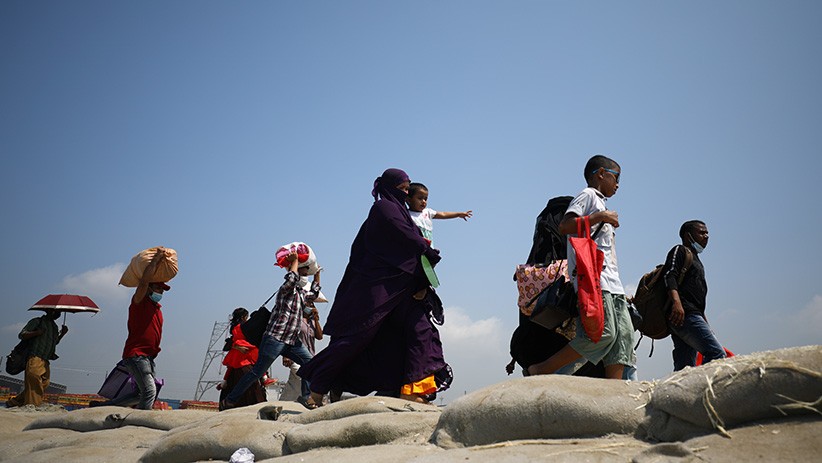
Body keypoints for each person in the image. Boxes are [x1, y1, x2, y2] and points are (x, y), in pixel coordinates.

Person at [298, 168, 451, 406]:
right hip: (376, 292)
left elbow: (411, 247)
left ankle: (410, 391)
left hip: (404, 289)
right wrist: (425, 247)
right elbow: (406, 240)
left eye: (407, 189)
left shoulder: (402, 213)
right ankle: (318, 388)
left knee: (421, 332)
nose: (405, 193)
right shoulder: (383, 209)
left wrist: (423, 275)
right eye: (402, 189)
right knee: (358, 338)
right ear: (388, 188)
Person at [528, 155, 635, 379]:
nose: (617, 185)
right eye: (616, 178)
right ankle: (541, 370)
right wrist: (600, 216)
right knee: (602, 335)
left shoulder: (601, 201)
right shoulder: (587, 196)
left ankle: (615, 397)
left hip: (613, 283)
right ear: (601, 174)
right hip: (595, 280)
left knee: (623, 339)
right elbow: (565, 225)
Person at [221, 249, 322, 410]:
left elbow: (314, 293)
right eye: (304, 270)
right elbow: (291, 279)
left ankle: (306, 396)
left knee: (310, 363)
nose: (305, 274)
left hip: (291, 340)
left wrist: (317, 274)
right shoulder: (285, 290)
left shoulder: (301, 294)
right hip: (275, 338)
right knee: (257, 373)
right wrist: (294, 261)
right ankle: (230, 400)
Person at [663, 220, 726, 371]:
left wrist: (705, 322)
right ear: (688, 235)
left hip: (690, 314)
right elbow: (669, 276)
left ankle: (675, 394)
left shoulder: (696, 259)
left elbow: (695, 297)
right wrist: (677, 304)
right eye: (701, 232)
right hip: (684, 315)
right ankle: (703, 392)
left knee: (684, 368)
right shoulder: (680, 250)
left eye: (707, 233)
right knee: (716, 354)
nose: (706, 236)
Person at [118, 249, 170, 410]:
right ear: (148, 289)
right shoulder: (139, 302)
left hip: (147, 357)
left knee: (141, 393)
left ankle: (104, 407)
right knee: (149, 391)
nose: (160, 292)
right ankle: (140, 422)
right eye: (158, 288)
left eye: (162, 290)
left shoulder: (156, 308)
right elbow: (143, 282)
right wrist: (155, 260)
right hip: (136, 354)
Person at [5, 309, 68, 407]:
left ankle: (15, 402)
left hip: (45, 360)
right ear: (51, 312)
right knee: (34, 381)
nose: (59, 314)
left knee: (44, 384)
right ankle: (32, 405)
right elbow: (22, 334)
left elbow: (54, 342)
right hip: (35, 357)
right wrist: (37, 333)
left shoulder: (54, 327)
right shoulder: (37, 322)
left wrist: (62, 334)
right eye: (57, 312)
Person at [218, 308, 266, 410]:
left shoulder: (234, 328)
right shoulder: (243, 328)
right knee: (256, 372)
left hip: (237, 358)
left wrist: (236, 347)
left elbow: (229, 344)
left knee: (231, 376)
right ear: (244, 317)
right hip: (246, 356)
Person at [281, 303, 323, 407]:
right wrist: (285, 355)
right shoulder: (297, 320)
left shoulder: (312, 322)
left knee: (294, 384)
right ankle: (307, 398)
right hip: (297, 357)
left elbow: (319, 336)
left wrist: (316, 320)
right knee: (303, 375)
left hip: (311, 356)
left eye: (312, 305)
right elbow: (287, 336)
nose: (311, 307)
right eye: (309, 305)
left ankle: (285, 402)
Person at [406, 182, 472, 246]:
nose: (423, 201)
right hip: (416, 247)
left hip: (429, 248)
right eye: (420, 198)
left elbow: (443, 214)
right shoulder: (406, 214)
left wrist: (458, 214)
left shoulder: (428, 212)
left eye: (425, 199)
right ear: (409, 200)